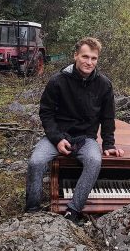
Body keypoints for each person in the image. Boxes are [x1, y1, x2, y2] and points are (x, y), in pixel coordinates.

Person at [25, 37, 124, 223]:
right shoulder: (57, 81)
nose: (89, 62)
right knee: (36, 162)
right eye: (85, 57)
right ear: (75, 55)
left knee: (94, 161)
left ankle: (73, 210)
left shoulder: (104, 84)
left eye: (94, 58)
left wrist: (109, 144)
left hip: (85, 138)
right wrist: (57, 139)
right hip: (57, 135)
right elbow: (46, 113)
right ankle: (32, 211)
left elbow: (108, 117)